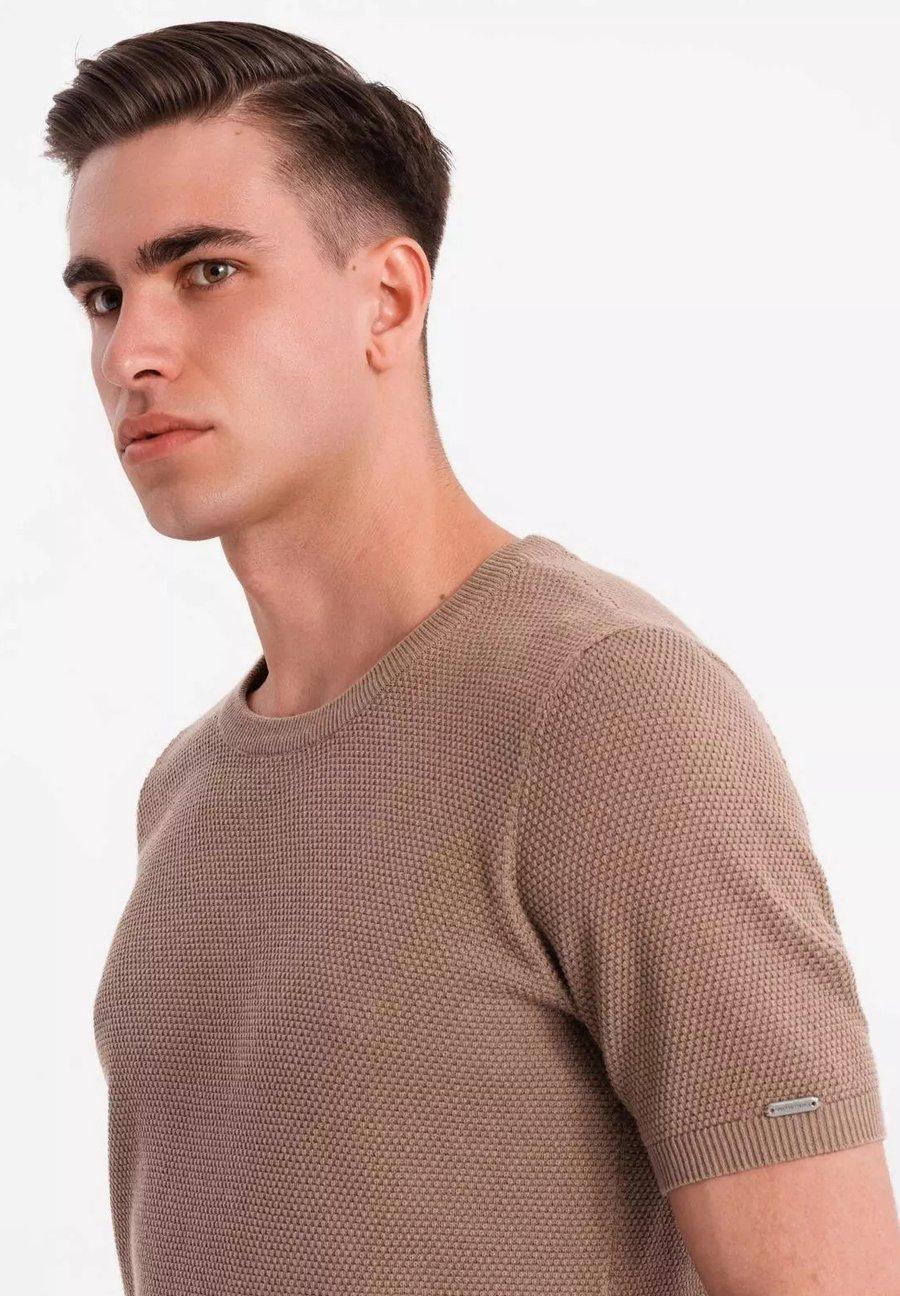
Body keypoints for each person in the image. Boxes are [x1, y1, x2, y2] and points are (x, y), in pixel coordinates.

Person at [45, 19, 899, 1296]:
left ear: (388, 299)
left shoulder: (605, 707)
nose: (132, 354)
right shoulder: (186, 788)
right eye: (104, 297)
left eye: (208, 271)